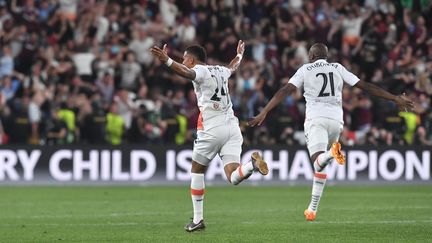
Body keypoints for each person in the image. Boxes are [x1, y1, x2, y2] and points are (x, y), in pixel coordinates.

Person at [249, 43, 414, 221]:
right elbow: (365, 86)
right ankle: (312, 209)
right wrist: (394, 98)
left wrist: (265, 110)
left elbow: (286, 90)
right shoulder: (337, 68)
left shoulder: (305, 69)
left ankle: (330, 153)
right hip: (336, 120)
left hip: (316, 119)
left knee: (318, 160)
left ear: (311, 57)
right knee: (321, 166)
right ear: (325, 56)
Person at [150, 40, 269, 232]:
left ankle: (198, 219)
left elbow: (186, 73)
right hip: (232, 127)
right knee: (233, 176)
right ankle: (252, 165)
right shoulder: (221, 70)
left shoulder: (200, 71)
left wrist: (167, 60)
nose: (183, 61)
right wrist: (239, 54)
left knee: (197, 170)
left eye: (184, 59)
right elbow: (233, 66)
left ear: (191, 59)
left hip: (212, 127)